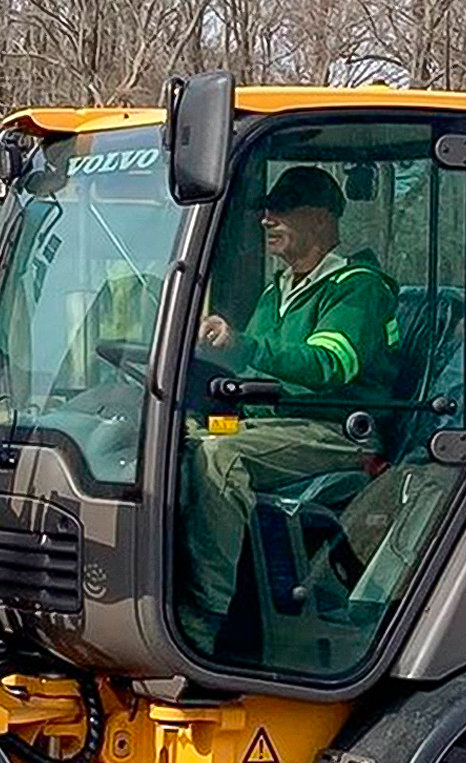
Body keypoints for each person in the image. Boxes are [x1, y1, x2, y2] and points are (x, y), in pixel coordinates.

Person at [180, 165, 398, 651]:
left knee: (220, 457)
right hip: (274, 424)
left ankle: (204, 620)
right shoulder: (279, 290)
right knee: (173, 442)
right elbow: (254, 366)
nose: (267, 220)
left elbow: (328, 364)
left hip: (337, 433)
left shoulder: (357, 287)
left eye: (282, 211)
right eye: (265, 212)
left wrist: (244, 346)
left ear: (321, 220)